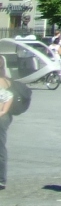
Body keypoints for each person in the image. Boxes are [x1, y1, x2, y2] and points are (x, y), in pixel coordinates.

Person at [0, 60, 14, 191]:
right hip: (5, 117)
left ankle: (1, 179)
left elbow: (9, 96)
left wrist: (3, 111)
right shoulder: (6, 79)